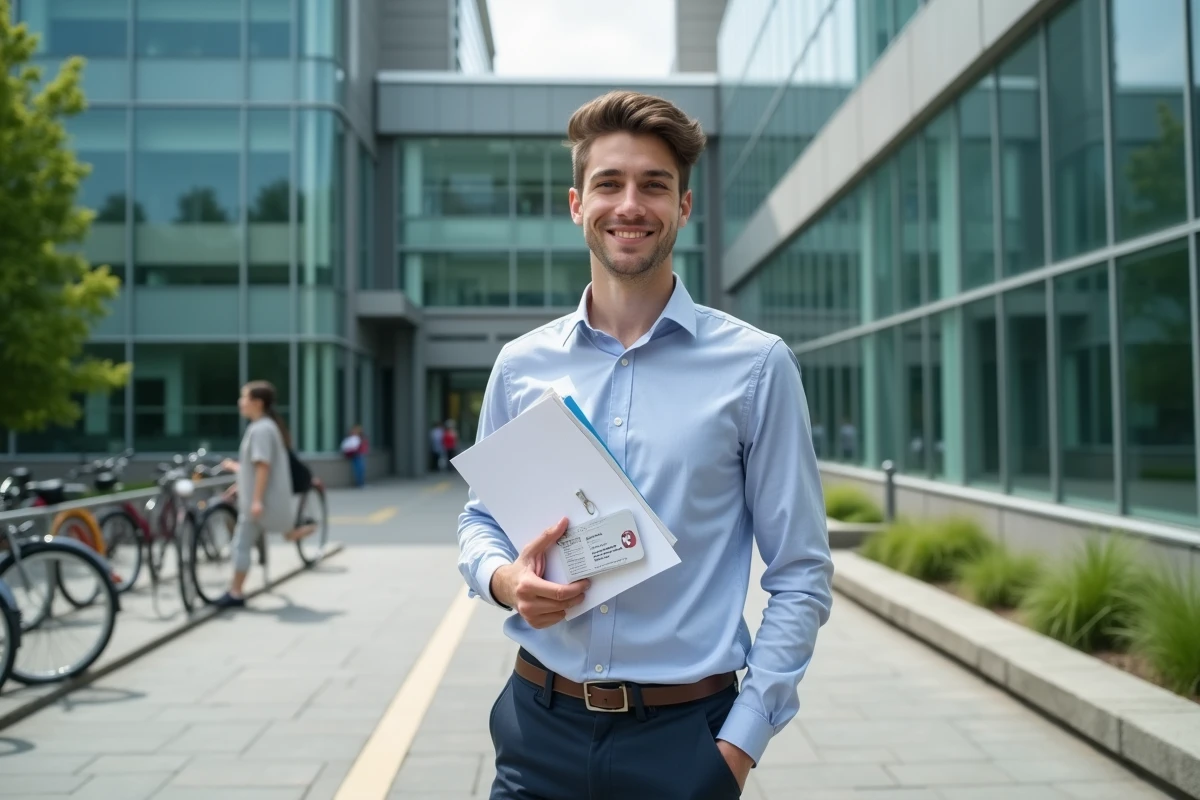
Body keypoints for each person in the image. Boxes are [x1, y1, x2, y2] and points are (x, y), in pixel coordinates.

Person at [456, 90, 834, 800]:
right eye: (609, 183)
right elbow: (482, 518)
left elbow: (801, 572)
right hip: (537, 730)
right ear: (577, 204)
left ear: (683, 207)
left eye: (654, 185)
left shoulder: (756, 367)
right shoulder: (521, 366)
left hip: (684, 745)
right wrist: (506, 581)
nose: (630, 205)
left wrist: (738, 746)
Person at [216, 380, 297, 609]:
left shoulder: (261, 429)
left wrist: (256, 500)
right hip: (256, 499)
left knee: (240, 545)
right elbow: (256, 468)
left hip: (257, 502)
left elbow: (262, 466)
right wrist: (239, 484)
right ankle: (235, 590)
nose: (240, 402)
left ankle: (236, 592)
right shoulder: (266, 427)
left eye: (244, 397)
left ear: (258, 403)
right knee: (242, 543)